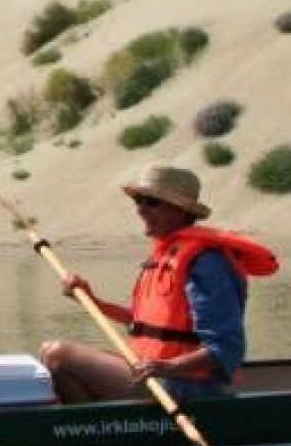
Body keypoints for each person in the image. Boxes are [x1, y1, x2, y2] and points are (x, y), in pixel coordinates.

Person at [38, 164, 278, 404]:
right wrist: (92, 301)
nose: (141, 210)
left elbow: (226, 347)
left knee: (59, 355)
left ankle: (101, 431)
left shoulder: (206, 263)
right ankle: (102, 430)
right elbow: (138, 319)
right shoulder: (165, 255)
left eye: (152, 202)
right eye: (139, 201)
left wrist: (167, 367)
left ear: (181, 210)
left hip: (185, 386)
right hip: (154, 374)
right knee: (47, 354)